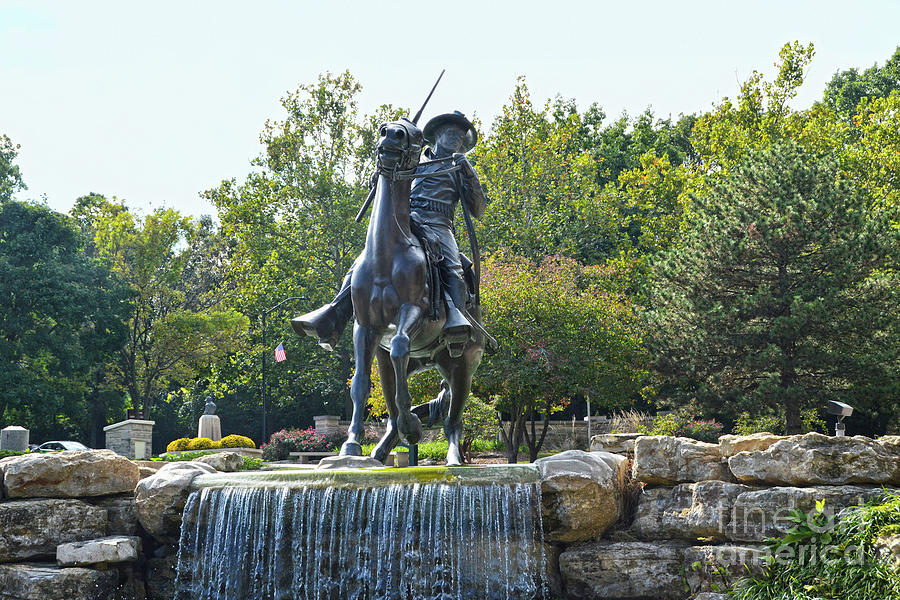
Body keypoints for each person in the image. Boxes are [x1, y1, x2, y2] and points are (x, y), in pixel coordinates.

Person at [292, 111, 486, 351]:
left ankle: (456, 322)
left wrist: (469, 172)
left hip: (439, 224)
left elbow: (478, 209)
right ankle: (335, 313)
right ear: (436, 135)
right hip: (407, 218)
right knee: (365, 260)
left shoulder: (459, 167)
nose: (456, 139)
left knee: (454, 268)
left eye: (460, 136)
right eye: (451, 133)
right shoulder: (413, 159)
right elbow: (388, 180)